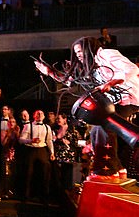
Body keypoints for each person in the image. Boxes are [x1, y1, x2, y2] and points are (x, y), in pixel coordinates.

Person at [34, 36, 139, 176]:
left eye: (80, 52)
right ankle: (116, 167)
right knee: (97, 129)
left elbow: (132, 69)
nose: (78, 56)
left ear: (89, 48)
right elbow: (69, 80)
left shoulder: (106, 54)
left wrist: (110, 83)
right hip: (113, 102)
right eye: (76, 53)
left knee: (104, 124)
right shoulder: (88, 68)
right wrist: (48, 72)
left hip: (129, 98)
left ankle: (110, 168)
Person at [19, 110, 55, 204]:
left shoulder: (47, 127)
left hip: (42, 150)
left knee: (45, 173)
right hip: (30, 149)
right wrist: (30, 140)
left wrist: (52, 152)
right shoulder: (28, 126)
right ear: (34, 116)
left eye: (41, 114)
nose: (39, 115)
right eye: (37, 114)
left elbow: (49, 141)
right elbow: (21, 139)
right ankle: (25, 196)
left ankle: (44, 197)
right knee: (28, 173)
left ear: (43, 117)